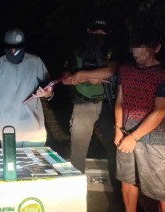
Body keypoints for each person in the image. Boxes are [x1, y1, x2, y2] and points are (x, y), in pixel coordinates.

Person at [61, 18, 123, 207]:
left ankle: (118, 196)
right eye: (95, 31)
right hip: (83, 104)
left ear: (108, 32)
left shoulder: (114, 49)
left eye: (103, 31)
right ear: (88, 30)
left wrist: (81, 76)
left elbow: (110, 71)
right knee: (78, 149)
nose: (99, 35)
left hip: (108, 105)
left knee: (114, 149)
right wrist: (82, 77)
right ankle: (76, 193)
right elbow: (65, 78)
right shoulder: (77, 49)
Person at [115, 27, 165, 212]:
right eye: (135, 48)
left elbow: (160, 111)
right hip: (125, 132)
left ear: (156, 48)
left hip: (153, 136)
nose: (137, 54)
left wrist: (134, 137)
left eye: (143, 49)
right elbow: (120, 101)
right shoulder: (125, 69)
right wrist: (118, 129)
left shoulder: (164, 74)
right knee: (127, 181)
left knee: (161, 189)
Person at [0, 28, 53, 147]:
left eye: (17, 46)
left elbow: (49, 91)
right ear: (4, 46)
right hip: (7, 131)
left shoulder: (35, 62)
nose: (13, 50)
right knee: (11, 165)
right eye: (10, 46)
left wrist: (47, 93)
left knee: (34, 166)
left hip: (33, 131)